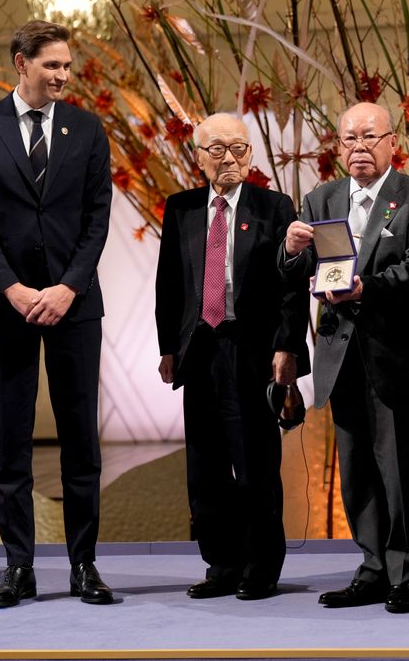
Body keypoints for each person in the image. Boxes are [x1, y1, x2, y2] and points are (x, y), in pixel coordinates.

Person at [0, 20, 113, 608]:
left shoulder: (88, 129)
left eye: (67, 66)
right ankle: (17, 567)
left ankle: (83, 565)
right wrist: (13, 289)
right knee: (11, 444)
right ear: (20, 63)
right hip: (7, 308)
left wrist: (69, 287)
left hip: (75, 306)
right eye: (52, 65)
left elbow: (98, 216)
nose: (63, 76)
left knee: (81, 443)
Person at [280, 102, 409, 614]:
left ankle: (408, 573)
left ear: (391, 143)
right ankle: (373, 567)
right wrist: (291, 249)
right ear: (338, 148)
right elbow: (293, 274)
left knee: (403, 469)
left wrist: (363, 289)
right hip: (342, 355)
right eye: (349, 139)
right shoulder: (321, 198)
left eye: (369, 137)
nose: (359, 146)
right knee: (357, 469)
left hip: (401, 353)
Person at [155, 113, 310, 601]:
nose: (229, 158)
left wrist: (288, 346)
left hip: (253, 352)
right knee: (205, 469)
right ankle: (222, 563)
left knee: (256, 464)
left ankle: (262, 567)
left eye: (239, 148)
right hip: (199, 350)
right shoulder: (179, 208)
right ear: (198, 157)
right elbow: (169, 285)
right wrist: (167, 347)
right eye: (217, 148)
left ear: (251, 156)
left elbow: (291, 288)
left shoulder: (274, 206)